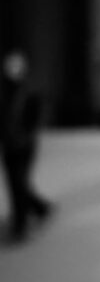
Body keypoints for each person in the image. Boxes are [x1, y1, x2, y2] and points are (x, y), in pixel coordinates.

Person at [1, 51, 52, 242]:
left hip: (24, 146)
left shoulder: (29, 92)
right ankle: (39, 208)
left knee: (19, 183)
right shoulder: (5, 93)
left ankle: (20, 224)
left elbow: (34, 118)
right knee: (15, 183)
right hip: (9, 146)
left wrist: (26, 135)